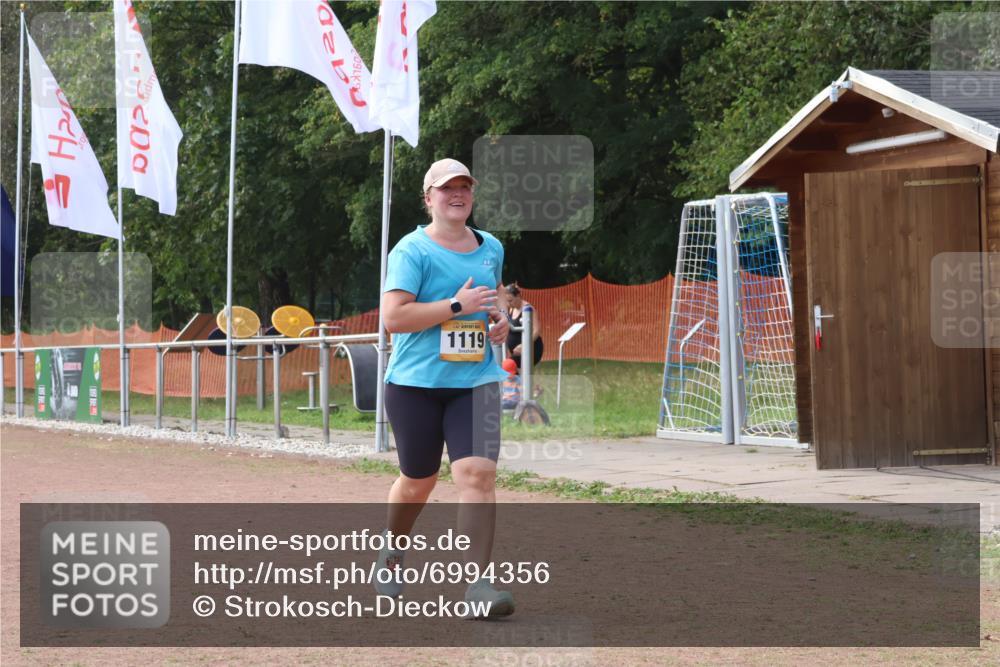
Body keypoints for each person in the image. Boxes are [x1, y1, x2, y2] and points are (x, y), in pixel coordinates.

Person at [377, 157, 514, 618]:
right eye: (446, 188)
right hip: (415, 384)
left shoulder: (490, 245)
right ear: (428, 197)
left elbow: (494, 301)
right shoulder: (410, 251)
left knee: (477, 476)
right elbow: (394, 318)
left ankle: (478, 585)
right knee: (419, 482)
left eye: (465, 188)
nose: (457, 195)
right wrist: (456, 305)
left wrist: (500, 322)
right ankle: (393, 551)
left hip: (475, 381)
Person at [504, 282, 544, 370]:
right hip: (515, 352)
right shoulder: (511, 309)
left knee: (507, 367)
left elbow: (536, 330)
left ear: (518, 296)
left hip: (531, 349)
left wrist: (524, 345)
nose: (509, 303)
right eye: (507, 301)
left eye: (510, 300)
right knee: (509, 370)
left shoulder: (528, 309)